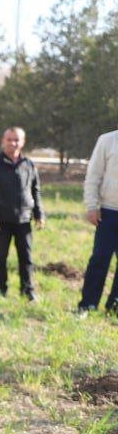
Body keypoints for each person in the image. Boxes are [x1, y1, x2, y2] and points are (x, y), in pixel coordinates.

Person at [0, 127, 44, 301]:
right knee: (1, 258)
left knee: (26, 258)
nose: (13, 143)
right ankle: (1, 290)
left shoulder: (28, 165)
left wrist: (39, 214)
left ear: (22, 142)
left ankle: (28, 291)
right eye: (9, 139)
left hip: (24, 220)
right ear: (3, 140)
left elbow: (35, 190)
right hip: (1, 221)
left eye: (16, 140)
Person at [79, 125, 118, 315]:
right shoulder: (107, 140)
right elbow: (93, 175)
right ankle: (88, 304)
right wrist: (92, 205)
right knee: (100, 260)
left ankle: (115, 306)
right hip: (108, 213)